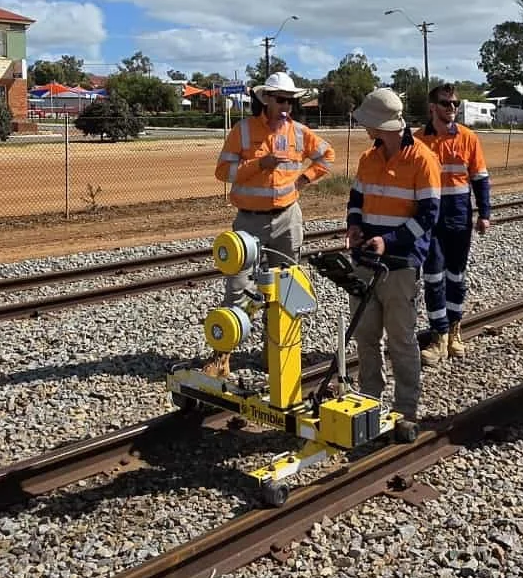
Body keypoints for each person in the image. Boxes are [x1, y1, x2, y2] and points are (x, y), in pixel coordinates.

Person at [206, 71, 335, 376]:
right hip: (249, 223)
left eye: (290, 100)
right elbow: (223, 172)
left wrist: (304, 179)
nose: (286, 105)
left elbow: (327, 156)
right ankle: (221, 358)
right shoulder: (244, 131)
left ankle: (277, 356)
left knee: (287, 288)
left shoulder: (300, 133)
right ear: (266, 100)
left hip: (287, 219)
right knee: (238, 289)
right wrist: (259, 165)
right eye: (281, 100)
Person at [344, 86, 440, 425]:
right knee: (365, 336)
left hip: (400, 266)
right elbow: (356, 200)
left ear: (383, 124)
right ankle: (369, 401)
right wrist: (354, 226)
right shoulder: (368, 158)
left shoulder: (423, 160)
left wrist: (389, 241)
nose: (365, 129)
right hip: (366, 262)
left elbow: (428, 216)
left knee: (401, 339)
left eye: (368, 123)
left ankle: (405, 408)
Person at [418, 83, 491, 366]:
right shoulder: (417, 140)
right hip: (430, 218)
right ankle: (439, 336)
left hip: (459, 216)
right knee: (433, 276)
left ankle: (454, 330)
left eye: (455, 104)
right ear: (432, 107)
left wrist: (484, 213)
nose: (452, 108)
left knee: (456, 276)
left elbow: (480, 178)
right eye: (446, 103)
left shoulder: (469, 138)